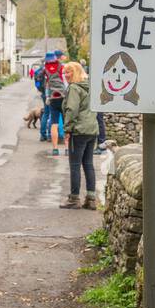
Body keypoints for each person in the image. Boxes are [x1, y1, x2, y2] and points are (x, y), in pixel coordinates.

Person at [59, 61, 98, 209]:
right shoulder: (90, 86)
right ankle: (91, 198)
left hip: (79, 131)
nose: (66, 75)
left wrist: (67, 130)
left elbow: (72, 110)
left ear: (76, 72)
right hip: (92, 130)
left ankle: (74, 199)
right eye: (64, 72)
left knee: (75, 165)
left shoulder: (74, 88)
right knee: (88, 164)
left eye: (69, 72)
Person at [43, 51, 68, 154]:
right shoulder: (62, 67)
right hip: (63, 97)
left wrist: (47, 96)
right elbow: (66, 82)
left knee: (54, 123)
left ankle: (55, 149)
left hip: (53, 97)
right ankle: (67, 149)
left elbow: (46, 84)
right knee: (67, 123)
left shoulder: (45, 69)